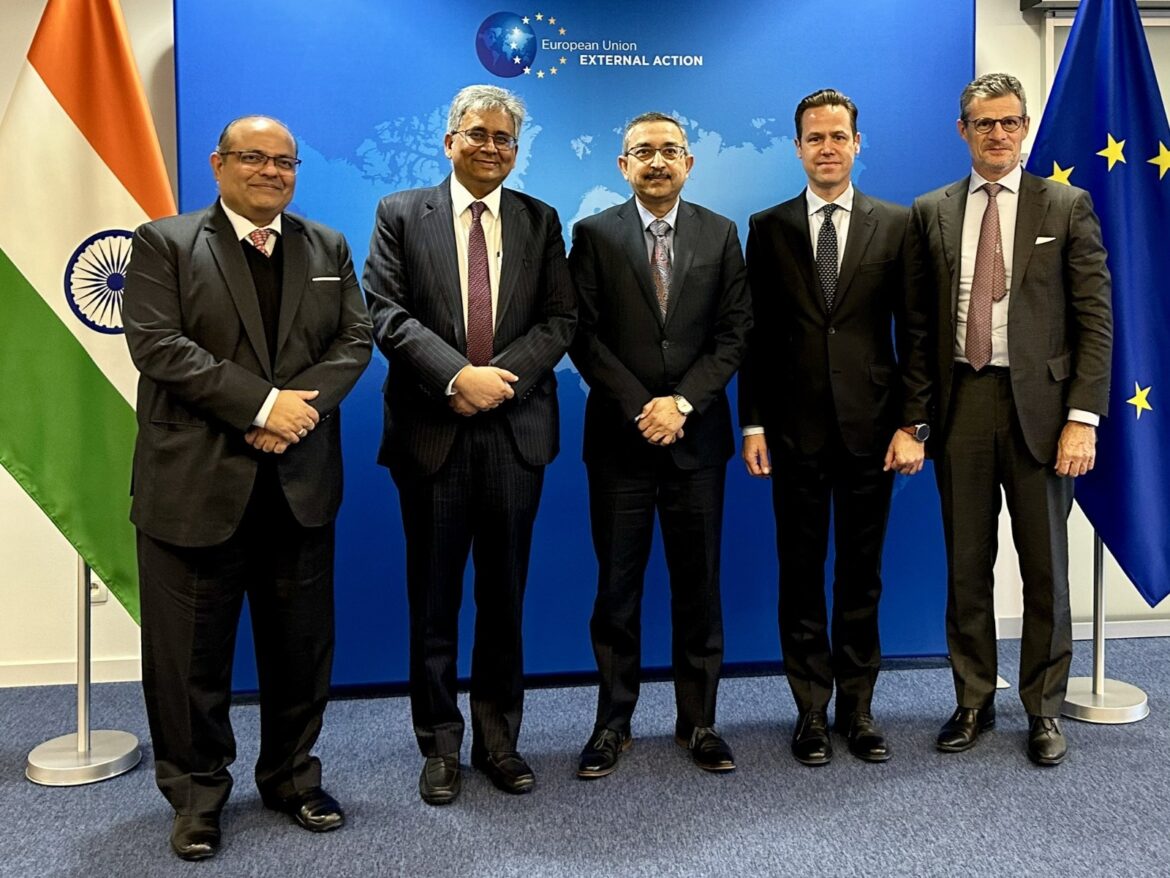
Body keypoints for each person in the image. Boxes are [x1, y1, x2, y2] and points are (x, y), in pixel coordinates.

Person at [123, 115, 372, 860]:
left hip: (299, 483)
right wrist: (263, 406)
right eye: (253, 157)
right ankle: (197, 796)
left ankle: (292, 777)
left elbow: (354, 340)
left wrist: (295, 413)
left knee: (300, 649)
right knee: (189, 660)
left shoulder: (326, 246)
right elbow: (158, 345)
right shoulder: (164, 243)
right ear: (218, 164)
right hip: (194, 487)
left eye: (284, 161)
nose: (271, 171)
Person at [363, 84, 576, 805]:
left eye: (504, 138)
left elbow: (560, 319)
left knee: (503, 599)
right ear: (449, 140)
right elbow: (385, 312)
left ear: (516, 150)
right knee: (433, 601)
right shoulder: (400, 213)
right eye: (478, 134)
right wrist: (456, 376)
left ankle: (498, 741)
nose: (491, 147)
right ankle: (440, 745)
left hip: (516, 435)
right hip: (433, 434)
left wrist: (497, 380)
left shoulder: (540, 220)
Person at [907, 73, 1112, 765]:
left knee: (1045, 568)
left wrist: (1082, 418)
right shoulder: (930, 210)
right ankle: (972, 700)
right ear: (962, 130)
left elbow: (1095, 320)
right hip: (960, 404)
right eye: (984, 123)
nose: (998, 134)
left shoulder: (1066, 204)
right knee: (967, 565)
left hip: (1044, 415)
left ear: (1024, 128)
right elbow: (918, 327)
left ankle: (1044, 708)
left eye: (1010, 122)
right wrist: (916, 418)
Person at [739, 89, 931, 767]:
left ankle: (859, 709)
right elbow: (755, 337)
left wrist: (914, 425)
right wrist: (753, 424)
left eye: (838, 136)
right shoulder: (767, 227)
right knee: (799, 576)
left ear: (857, 143)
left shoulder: (897, 224)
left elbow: (918, 332)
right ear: (797, 148)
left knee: (861, 577)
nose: (827, 148)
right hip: (791, 433)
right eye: (814, 138)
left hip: (873, 433)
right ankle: (811, 711)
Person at [569, 111, 751, 779]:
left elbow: (735, 332)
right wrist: (643, 407)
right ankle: (612, 723)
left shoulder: (720, 233)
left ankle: (698, 721)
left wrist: (681, 404)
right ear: (623, 165)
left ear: (688, 163)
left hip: (696, 442)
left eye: (669, 150)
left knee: (698, 589)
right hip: (620, 443)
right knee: (616, 592)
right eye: (642, 151)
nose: (656, 161)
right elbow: (582, 334)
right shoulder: (593, 235)